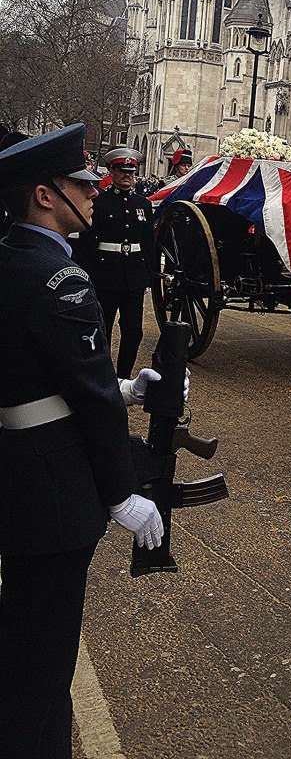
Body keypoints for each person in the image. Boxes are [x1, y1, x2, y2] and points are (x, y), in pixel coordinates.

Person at [0, 124, 165, 758]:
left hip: (19, 474)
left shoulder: (13, 255)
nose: (93, 192)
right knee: (43, 657)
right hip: (50, 491)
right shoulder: (57, 276)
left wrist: (122, 387)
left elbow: (41, 369)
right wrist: (122, 491)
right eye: (79, 183)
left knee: (23, 636)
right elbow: (87, 399)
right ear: (45, 195)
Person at [74, 147, 154, 379]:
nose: (127, 175)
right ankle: (104, 376)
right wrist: (86, 274)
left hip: (134, 277)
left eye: (131, 171)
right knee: (103, 328)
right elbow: (89, 242)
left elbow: (148, 242)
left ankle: (124, 376)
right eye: (121, 170)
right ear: (111, 171)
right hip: (105, 275)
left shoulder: (144, 204)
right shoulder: (100, 202)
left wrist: (150, 276)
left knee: (133, 331)